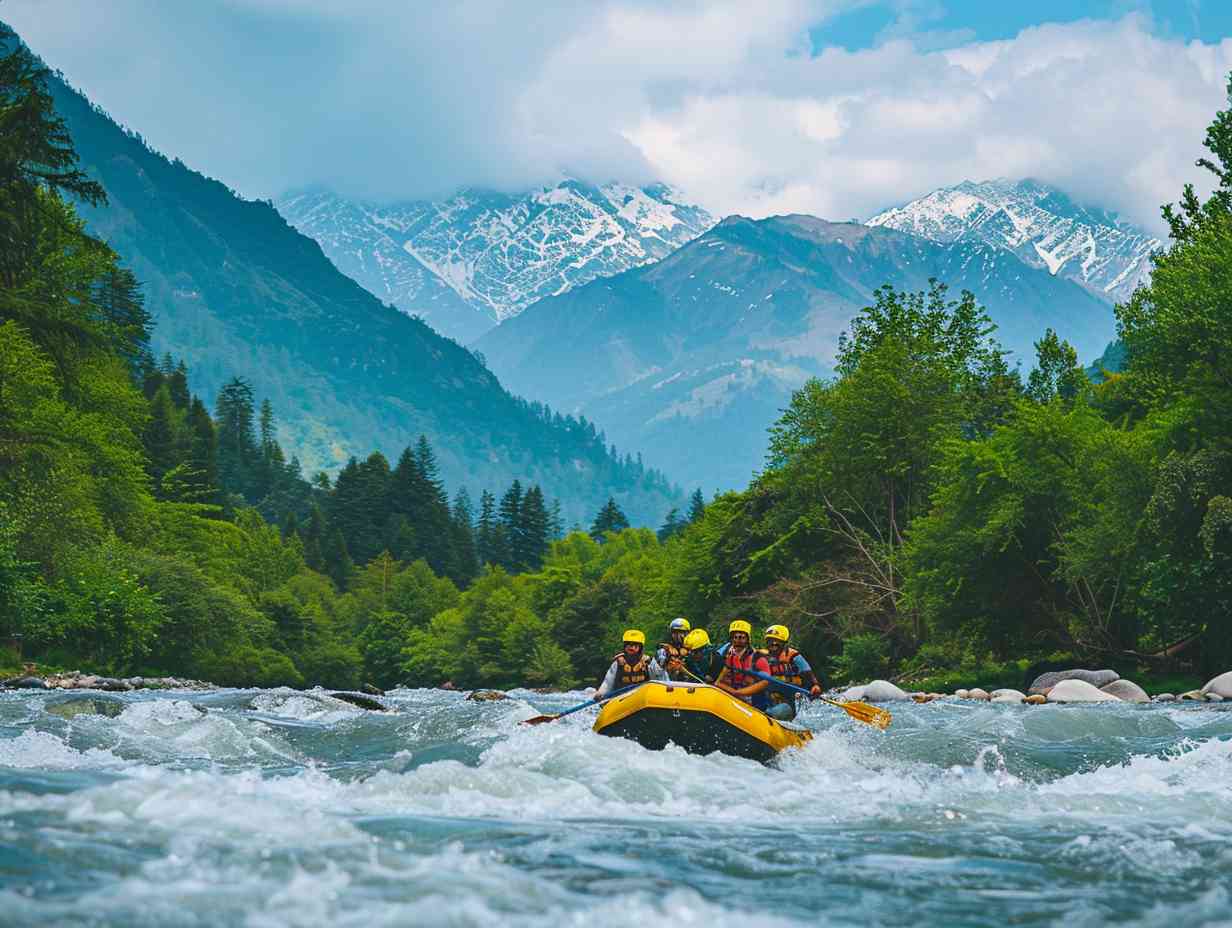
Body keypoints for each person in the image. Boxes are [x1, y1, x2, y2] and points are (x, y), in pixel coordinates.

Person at [760, 625, 822, 721]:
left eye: (777, 642)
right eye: (770, 641)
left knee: (778, 710)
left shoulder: (794, 657)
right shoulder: (760, 656)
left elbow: (808, 674)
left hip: (787, 702)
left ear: (784, 643)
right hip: (767, 699)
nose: (774, 644)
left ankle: (769, 717)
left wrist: (815, 686)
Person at [714, 619, 772, 709]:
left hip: (754, 700)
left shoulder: (758, 657)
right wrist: (733, 691)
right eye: (735, 637)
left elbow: (765, 681)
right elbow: (718, 682)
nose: (737, 640)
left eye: (741, 637)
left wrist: (740, 692)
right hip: (735, 696)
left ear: (747, 639)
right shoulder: (730, 657)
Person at [594, 629, 666, 700]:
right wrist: (601, 693)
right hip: (621, 698)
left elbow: (659, 678)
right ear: (625, 646)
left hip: (641, 697)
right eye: (628, 644)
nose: (631, 647)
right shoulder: (618, 663)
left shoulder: (648, 661)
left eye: (635, 645)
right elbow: (608, 682)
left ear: (640, 647)